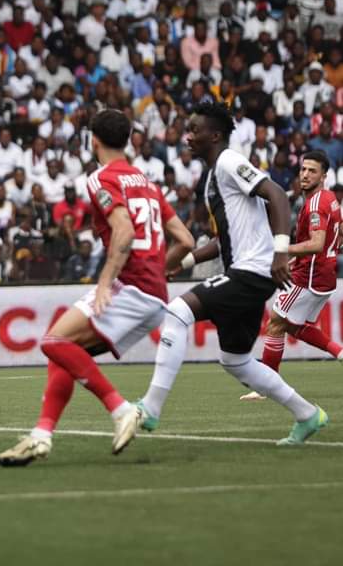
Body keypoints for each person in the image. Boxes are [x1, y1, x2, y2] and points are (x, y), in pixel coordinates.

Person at [0, 110, 195, 466]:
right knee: (64, 349)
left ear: (94, 140)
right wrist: (158, 270)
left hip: (130, 286)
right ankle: (41, 435)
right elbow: (186, 240)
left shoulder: (101, 178)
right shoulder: (147, 183)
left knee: (52, 342)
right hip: (153, 293)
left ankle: (121, 410)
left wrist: (104, 282)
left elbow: (124, 231)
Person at [137, 103, 329, 446]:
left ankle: (150, 407)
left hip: (252, 271)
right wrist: (181, 263)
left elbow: (276, 195)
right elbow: (222, 240)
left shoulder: (228, 161)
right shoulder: (214, 177)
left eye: (195, 130)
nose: (188, 136)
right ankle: (307, 415)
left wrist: (280, 251)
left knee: (177, 312)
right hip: (246, 272)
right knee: (235, 359)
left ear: (214, 135)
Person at [240, 150, 342, 400]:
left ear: (324, 176)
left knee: (275, 323)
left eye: (312, 171)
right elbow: (335, 236)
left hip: (309, 276)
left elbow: (317, 243)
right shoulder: (330, 198)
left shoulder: (316, 204)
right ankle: (339, 352)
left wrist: (282, 248)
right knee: (294, 326)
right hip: (323, 275)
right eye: (303, 169)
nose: (305, 175)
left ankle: (266, 387)